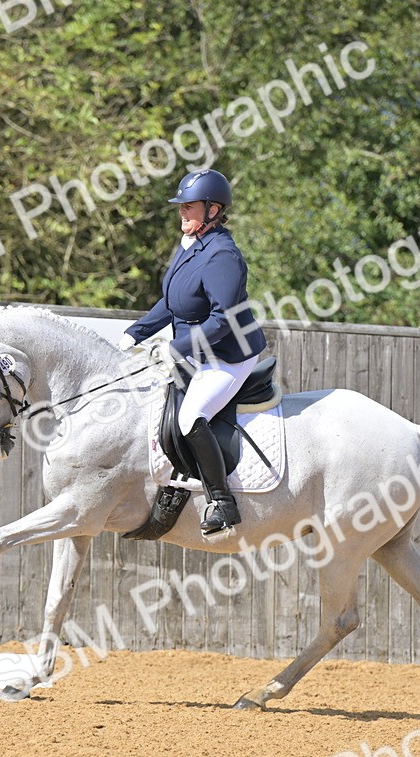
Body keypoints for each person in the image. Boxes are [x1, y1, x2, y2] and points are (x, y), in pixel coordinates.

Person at [117, 168, 267, 534]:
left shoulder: (222, 255)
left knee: (190, 417)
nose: (182, 211)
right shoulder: (190, 246)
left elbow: (222, 320)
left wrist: (175, 347)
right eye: (181, 206)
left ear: (213, 210)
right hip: (196, 349)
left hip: (228, 353)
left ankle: (223, 503)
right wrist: (135, 333)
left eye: (189, 206)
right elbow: (173, 302)